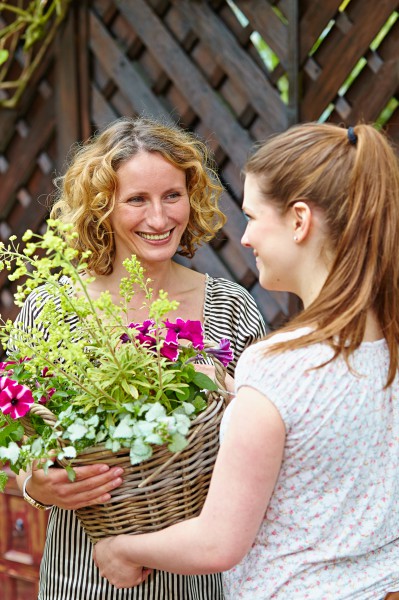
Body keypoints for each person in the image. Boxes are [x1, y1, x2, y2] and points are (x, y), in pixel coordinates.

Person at [93, 121, 399, 599]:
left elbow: (218, 543)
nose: (246, 238)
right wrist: (236, 392)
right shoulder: (387, 343)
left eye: (254, 217)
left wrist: (121, 550)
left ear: (299, 221)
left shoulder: (275, 368)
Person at [14, 116, 266, 600]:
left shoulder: (231, 308)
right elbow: (18, 437)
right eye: (136, 200)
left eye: (172, 195)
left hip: (206, 584)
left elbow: (268, 445)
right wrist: (35, 483)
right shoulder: (55, 311)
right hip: (85, 579)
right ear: (102, 209)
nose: (159, 218)